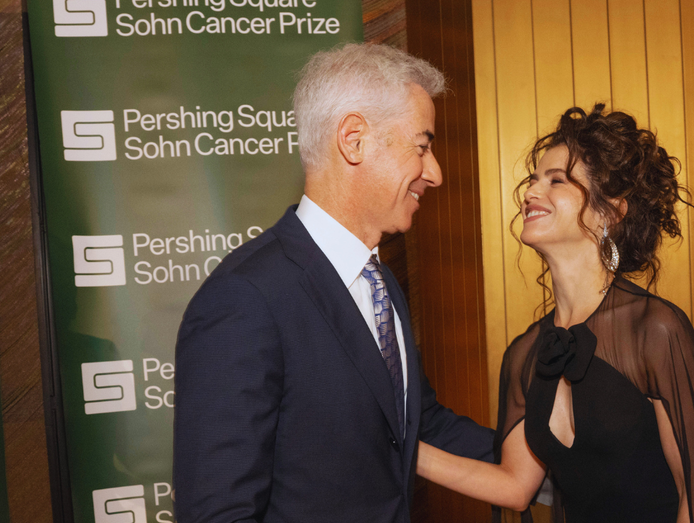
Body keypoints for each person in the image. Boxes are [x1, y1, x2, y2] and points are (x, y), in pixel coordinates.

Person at [173, 43, 494, 523]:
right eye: (422, 146)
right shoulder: (244, 299)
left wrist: (569, 464)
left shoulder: (383, 285)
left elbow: (419, 425)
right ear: (354, 139)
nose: (435, 173)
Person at [416, 105, 694, 522]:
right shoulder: (526, 354)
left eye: (556, 181)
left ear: (611, 211)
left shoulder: (654, 330)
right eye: (533, 180)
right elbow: (516, 488)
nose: (531, 193)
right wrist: (406, 452)